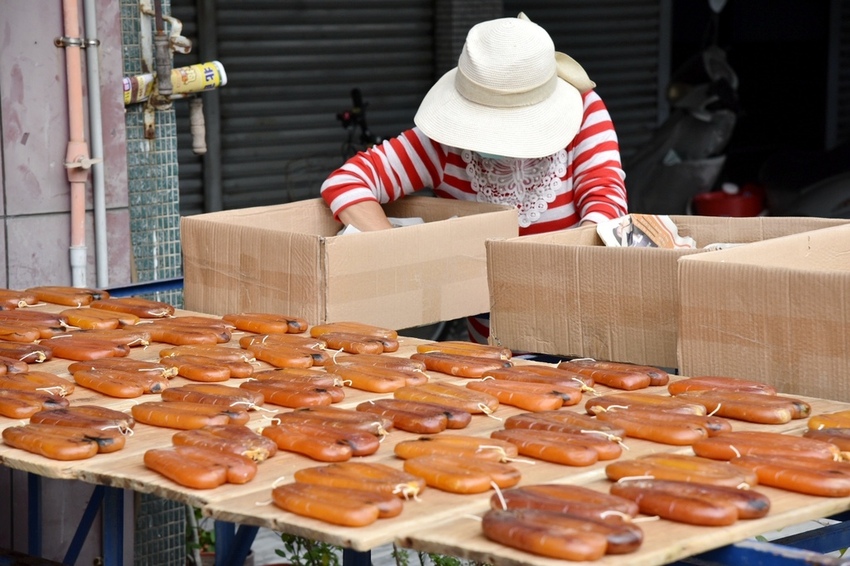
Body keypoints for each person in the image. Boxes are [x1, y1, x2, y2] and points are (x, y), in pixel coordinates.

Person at [321, 13, 628, 343]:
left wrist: (563, 268)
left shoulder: (581, 109)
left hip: (583, 333)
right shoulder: (441, 142)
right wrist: (400, 252)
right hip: (489, 348)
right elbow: (346, 181)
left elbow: (606, 195)